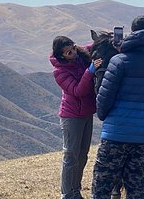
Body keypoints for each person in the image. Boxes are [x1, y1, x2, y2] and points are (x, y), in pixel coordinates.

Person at [91, 16, 144, 199]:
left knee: (102, 187)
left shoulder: (119, 61)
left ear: (132, 31)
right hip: (142, 136)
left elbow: (104, 97)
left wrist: (102, 114)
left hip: (116, 134)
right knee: (136, 188)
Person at [50, 35, 102, 199]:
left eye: (72, 48)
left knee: (82, 155)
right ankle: (66, 194)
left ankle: (75, 190)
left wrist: (105, 38)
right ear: (61, 56)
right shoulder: (59, 71)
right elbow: (77, 91)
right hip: (72, 116)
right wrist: (90, 71)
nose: (72, 52)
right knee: (71, 155)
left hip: (86, 113)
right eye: (68, 52)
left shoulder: (81, 54)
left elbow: (93, 45)